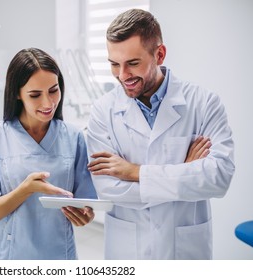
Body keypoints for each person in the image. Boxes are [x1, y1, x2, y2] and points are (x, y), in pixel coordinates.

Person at [86, 9, 235, 260]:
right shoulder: (103, 111)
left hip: (185, 250)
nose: (122, 76)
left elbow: (219, 177)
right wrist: (184, 171)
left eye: (133, 63)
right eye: (114, 64)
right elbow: (108, 188)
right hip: (127, 250)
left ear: (160, 54)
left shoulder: (204, 103)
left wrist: (135, 172)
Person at [0, 47, 97, 260]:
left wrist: (86, 215)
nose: (48, 103)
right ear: (17, 93)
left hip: (58, 252)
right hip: (10, 255)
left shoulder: (74, 137)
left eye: (53, 90)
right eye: (35, 95)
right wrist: (25, 190)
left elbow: (86, 204)